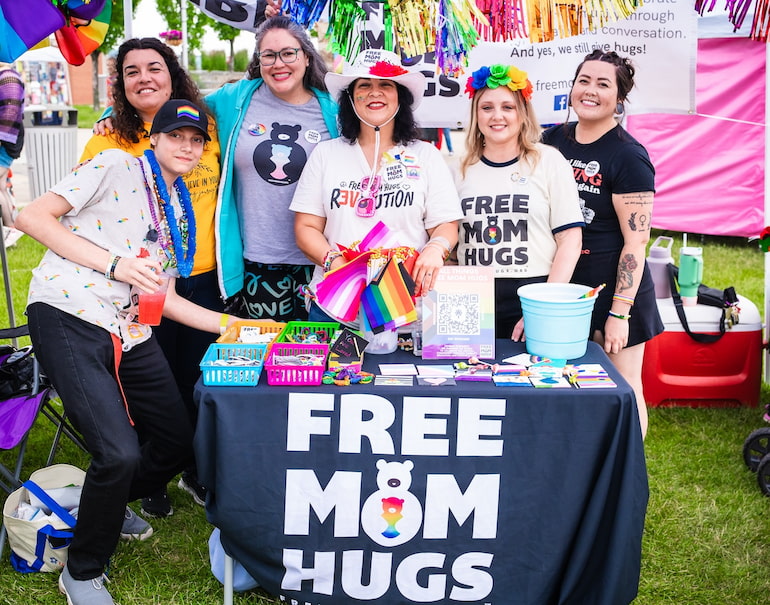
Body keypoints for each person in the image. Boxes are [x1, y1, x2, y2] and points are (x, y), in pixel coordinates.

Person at [16, 99, 241, 605]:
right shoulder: (115, 163)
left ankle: (103, 504)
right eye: (176, 136)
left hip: (129, 325)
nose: (186, 145)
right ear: (154, 139)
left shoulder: (177, 204)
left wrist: (241, 326)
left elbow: (168, 297)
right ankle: (82, 569)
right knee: (117, 452)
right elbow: (33, 216)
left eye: (196, 139)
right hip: (67, 309)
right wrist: (115, 265)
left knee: (177, 442)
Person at [85, 37, 222, 517]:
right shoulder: (108, 139)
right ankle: (151, 473)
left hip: (203, 277)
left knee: (196, 376)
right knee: (150, 381)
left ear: (173, 73)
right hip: (139, 283)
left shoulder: (206, 127)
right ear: (120, 85)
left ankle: (191, 466)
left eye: (155, 67)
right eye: (132, 71)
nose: (145, 78)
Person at [541, 50, 663, 438]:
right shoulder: (551, 140)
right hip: (564, 286)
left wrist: (619, 312)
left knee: (623, 388)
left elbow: (636, 242)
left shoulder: (628, 156)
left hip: (615, 290)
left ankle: (630, 482)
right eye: (584, 81)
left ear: (620, 99)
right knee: (564, 385)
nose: (590, 91)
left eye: (603, 84)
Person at [290, 49, 462, 322]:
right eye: (364, 85)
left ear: (400, 96)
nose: (375, 92)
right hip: (335, 306)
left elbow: (446, 224)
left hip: (407, 310)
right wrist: (339, 266)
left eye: (385, 84)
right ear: (351, 98)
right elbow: (305, 227)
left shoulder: (425, 155)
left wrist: (435, 248)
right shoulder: (326, 154)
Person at [205, 15, 338, 321]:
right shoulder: (235, 99)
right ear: (259, 60)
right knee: (269, 358)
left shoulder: (333, 109)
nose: (279, 63)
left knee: (319, 356)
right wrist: (111, 111)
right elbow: (176, 101)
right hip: (257, 261)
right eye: (269, 55)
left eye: (288, 53)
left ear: (306, 57)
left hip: (322, 259)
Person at [456, 64, 584, 340]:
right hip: (470, 296)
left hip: (533, 294)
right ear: (476, 114)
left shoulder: (548, 161)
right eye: (486, 107)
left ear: (523, 113)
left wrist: (544, 307)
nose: (497, 116)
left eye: (508, 107)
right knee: (469, 381)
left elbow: (571, 241)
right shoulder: (458, 169)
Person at [0, 63, 24, 229]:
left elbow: (11, 111)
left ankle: (10, 229)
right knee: (1, 187)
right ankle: (11, 229)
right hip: (7, 138)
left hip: (6, 140)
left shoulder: (8, 77)